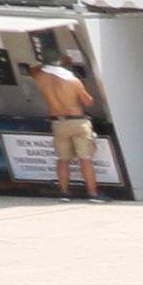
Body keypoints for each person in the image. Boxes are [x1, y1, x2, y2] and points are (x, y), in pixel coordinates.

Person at [29, 43, 103, 201]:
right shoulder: (73, 81)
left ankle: (64, 193)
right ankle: (93, 194)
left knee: (63, 160)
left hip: (58, 123)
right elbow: (88, 102)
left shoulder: (40, 77)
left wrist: (48, 63)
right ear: (61, 63)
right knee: (85, 159)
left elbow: (33, 69)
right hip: (77, 121)